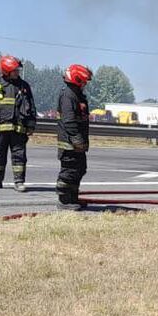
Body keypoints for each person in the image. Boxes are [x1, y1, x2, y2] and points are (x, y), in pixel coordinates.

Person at [0, 55, 37, 191]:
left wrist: (31, 125)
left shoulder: (24, 86)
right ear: (6, 71)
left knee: (19, 156)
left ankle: (19, 182)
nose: (18, 73)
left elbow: (32, 107)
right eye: (15, 70)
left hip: (18, 129)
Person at [55, 64, 92, 210]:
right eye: (83, 81)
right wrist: (77, 139)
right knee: (69, 171)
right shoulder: (68, 95)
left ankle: (72, 197)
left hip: (77, 143)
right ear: (76, 79)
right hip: (69, 144)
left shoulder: (76, 94)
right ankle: (64, 200)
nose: (85, 84)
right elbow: (69, 121)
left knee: (80, 169)